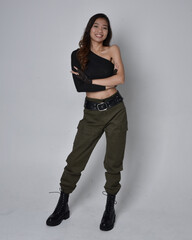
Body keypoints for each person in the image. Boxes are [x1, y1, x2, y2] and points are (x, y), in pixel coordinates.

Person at [46, 13, 128, 231]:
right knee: (76, 159)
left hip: (116, 111)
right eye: (96, 26)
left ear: (108, 32)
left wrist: (91, 79)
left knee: (113, 161)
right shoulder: (77, 55)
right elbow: (80, 87)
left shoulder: (113, 50)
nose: (100, 31)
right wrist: (104, 83)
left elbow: (120, 79)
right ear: (89, 29)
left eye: (105, 28)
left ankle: (109, 206)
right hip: (91, 114)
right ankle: (62, 205)